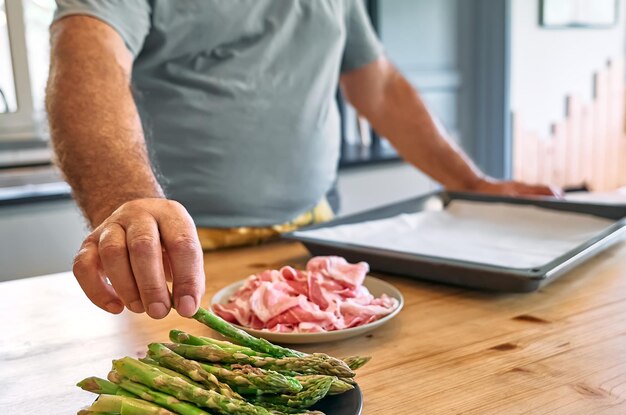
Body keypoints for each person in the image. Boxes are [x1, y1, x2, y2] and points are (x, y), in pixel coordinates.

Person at [46, 1, 558, 320]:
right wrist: (127, 202)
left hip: (313, 239)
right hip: (177, 259)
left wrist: (473, 182)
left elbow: (376, 85)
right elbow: (89, 59)